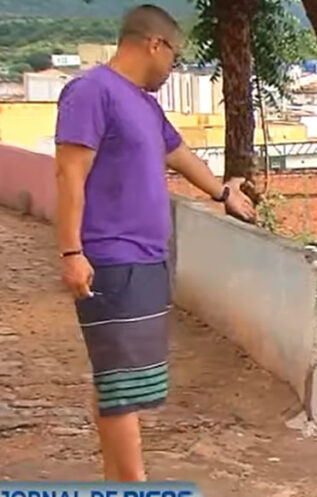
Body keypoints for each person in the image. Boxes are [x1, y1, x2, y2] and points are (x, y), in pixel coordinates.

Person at [54, 4, 256, 481]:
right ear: (154, 44)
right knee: (122, 385)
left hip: (145, 261)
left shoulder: (143, 104)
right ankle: (132, 485)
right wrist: (71, 251)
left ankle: (118, 480)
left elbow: (179, 153)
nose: (173, 68)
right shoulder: (90, 92)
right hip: (112, 258)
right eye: (175, 57)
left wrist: (222, 192)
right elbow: (68, 173)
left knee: (122, 382)